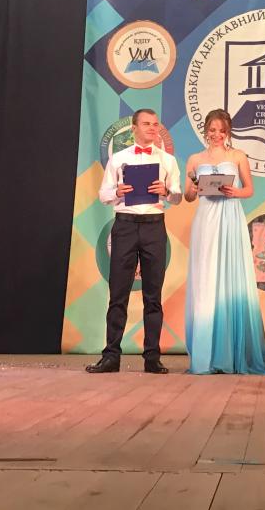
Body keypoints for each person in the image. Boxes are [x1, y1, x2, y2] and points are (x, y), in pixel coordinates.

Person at [87, 109, 182, 374]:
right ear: (134, 128)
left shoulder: (168, 160)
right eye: (146, 124)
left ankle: (152, 357)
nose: (152, 128)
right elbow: (103, 195)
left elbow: (178, 196)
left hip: (154, 226)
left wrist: (167, 191)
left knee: (153, 296)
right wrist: (117, 191)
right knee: (118, 294)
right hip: (125, 225)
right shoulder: (118, 158)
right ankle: (111, 356)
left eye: (155, 124)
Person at [183, 109, 265, 375]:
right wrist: (193, 185)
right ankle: (205, 354)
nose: (216, 135)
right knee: (206, 279)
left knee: (231, 277)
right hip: (206, 219)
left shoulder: (237, 156)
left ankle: (232, 352)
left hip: (230, 216)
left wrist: (234, 191)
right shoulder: (194, 159)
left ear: (228, 132)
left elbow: (249, 189)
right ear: (205, 130)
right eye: (212, 130)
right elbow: (188, 196)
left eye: (221, 130)